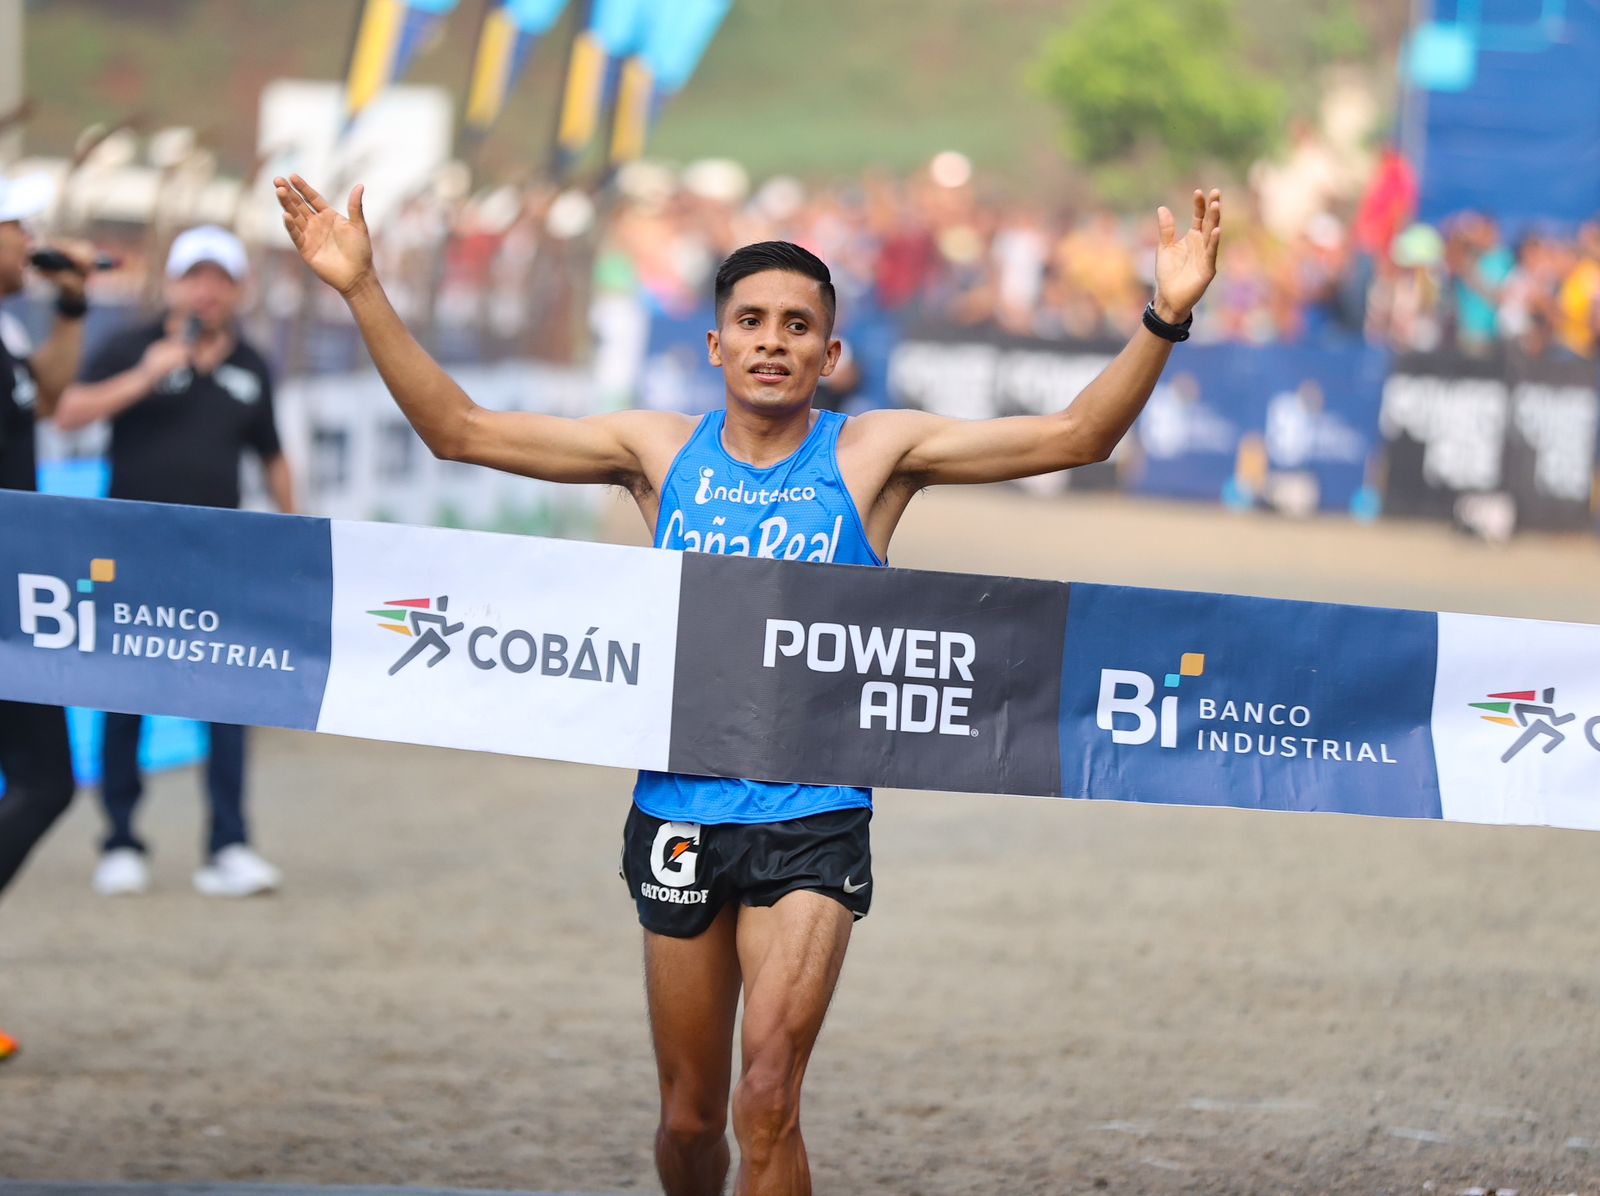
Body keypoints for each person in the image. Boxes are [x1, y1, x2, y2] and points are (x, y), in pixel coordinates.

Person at [274, 172, 1222, 1196]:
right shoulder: (653, 450)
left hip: (814, 806)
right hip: (678, 806)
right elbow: (459, 429)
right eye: (753, 321)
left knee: (766, 1092)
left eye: (799, 325)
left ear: (830, 353)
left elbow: (1075, 436)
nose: (775, 339)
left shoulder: (873, 453)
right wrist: (361, 285)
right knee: (689, 1121)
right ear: (715, 345)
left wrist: (1164, 313)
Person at [54, 225, 295, 899]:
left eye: (220, 278)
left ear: (239, 289)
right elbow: (67, 412)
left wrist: (293, 531)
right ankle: (122, 839)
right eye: (195, 276)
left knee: (226, 699)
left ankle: (229, 844)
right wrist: (145, 376)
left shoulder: (250, 366)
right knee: (125, 695)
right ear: (173, 283)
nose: (206, 290)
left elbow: (272, 454)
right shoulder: (131, 348)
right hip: (132, 553)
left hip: (221, 558)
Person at [0, 176, 92, 1060]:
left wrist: (68, 309)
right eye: (15, 229)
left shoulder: (9, 329)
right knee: (46, 780)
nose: (29, 242)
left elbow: (50, 397)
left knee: (45, 781)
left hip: (12, 586)